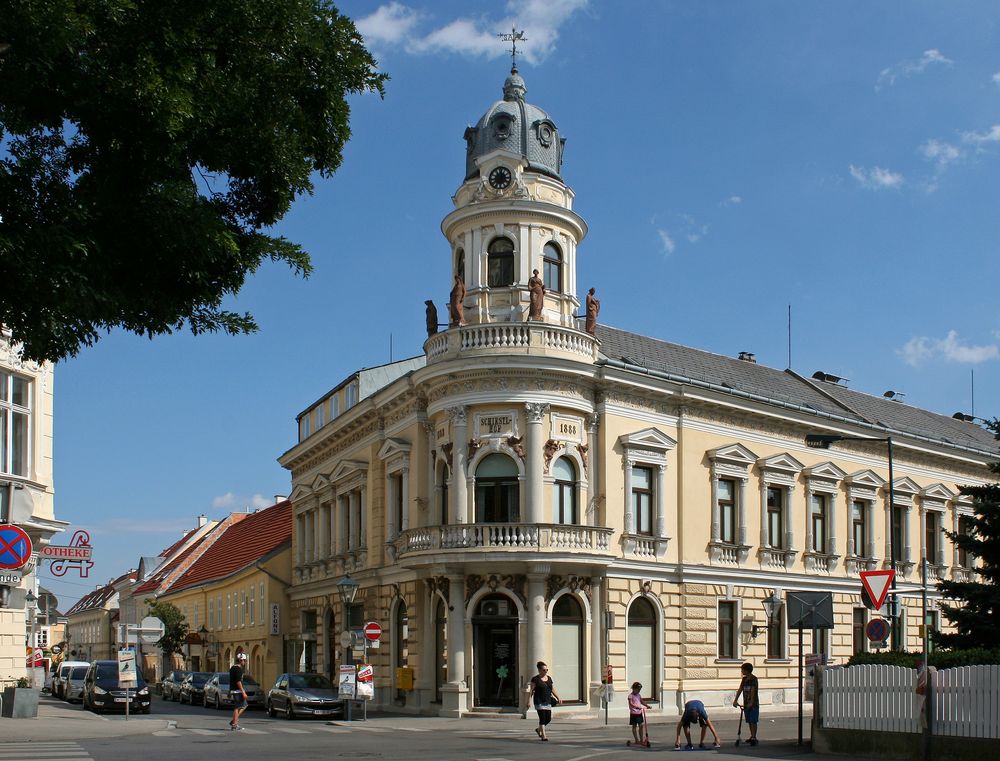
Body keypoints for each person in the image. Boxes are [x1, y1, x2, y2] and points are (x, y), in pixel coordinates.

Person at [526, 661, 560, 741]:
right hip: (539, 701)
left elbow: (552, 689)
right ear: (539, 670)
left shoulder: (549, 678)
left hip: (547, 700)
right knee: (542, 718)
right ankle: (544, 736)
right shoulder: (535, 679)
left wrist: (558, 697)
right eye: (544, 670)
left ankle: (538, 729)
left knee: (548, 719)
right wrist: (528, 701)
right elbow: (531, 691)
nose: (546, 671)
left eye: (546, 670)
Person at [734, 662, 760, 745]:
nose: (741, 671)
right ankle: (752, 735)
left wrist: (751, 702)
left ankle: (754, 737)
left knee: (753, 720)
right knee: (749, 720)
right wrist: (735, 700)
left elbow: (753, 691)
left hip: (753, 704)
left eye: (743, 670)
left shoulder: (754, 679)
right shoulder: (744, 679)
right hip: (746, 703)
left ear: (747, 670)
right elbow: (740, 689)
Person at [229, 652, 249, 731]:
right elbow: (238, 681)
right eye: (244, 660)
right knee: (237, 707)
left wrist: (229, 691)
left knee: (244, 705)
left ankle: (234, 720)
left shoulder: (232, 668)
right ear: (241, 660)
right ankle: (234, 724)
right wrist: (243, 692)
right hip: (238, 691)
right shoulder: (239, 669)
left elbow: (231, 680)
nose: (244, 662)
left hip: (234, 690)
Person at [627, 681, 651, 746]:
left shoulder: (639, 695)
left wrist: (647, 705)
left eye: (640, 690)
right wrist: (637, 706)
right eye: (638, 690)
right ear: (634, 689)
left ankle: (641, 740)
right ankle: (636, 740)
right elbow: (631, 703)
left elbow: (642, 701)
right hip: (633, 713)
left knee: (641, 725)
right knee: (634, 726)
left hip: (639, 713)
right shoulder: (630, 696)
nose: (639, 691)